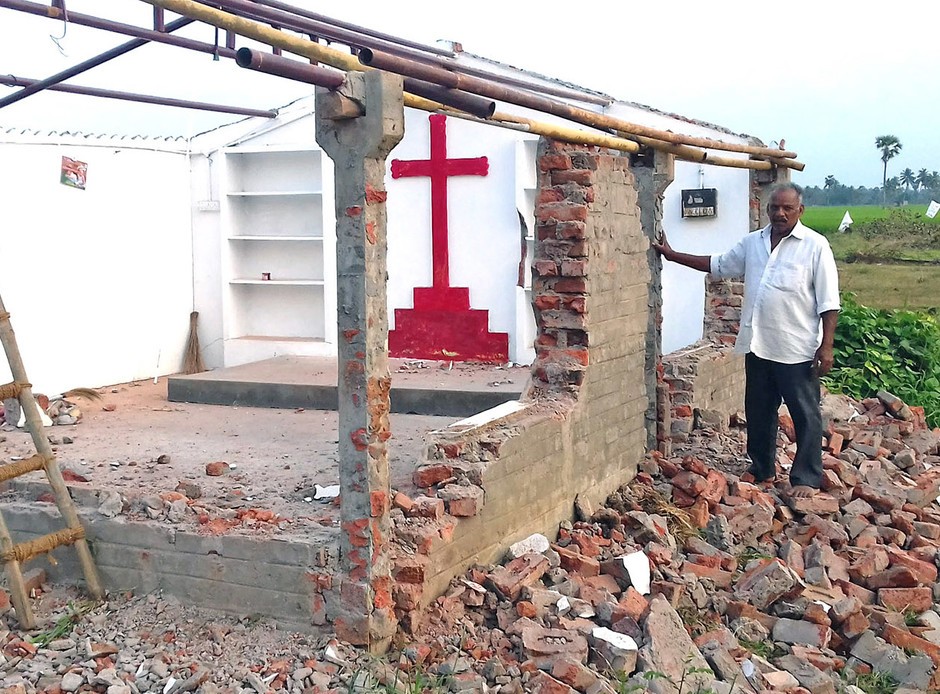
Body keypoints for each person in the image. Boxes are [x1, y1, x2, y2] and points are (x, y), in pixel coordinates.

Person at [653, 183, 840, 499]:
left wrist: (827, 346)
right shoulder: (753, 243)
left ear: (800, 211)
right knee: (759, 411)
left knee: (806, 414)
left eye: (787, 208)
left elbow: (829, 302)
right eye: (774, 208)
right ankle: (762, 467)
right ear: (767, 209)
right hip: (759, 346)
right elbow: (719, 264)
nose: (779, 213)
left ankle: (806, 476)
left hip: (797, 349)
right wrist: (672, 256)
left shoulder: (815, 246)